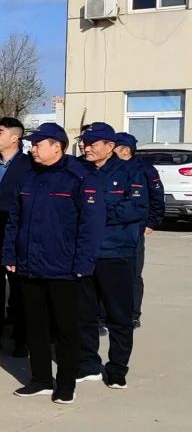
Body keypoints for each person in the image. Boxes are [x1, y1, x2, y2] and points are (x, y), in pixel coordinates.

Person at [4, 124, 104, 404]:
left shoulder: (79, 177)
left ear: (56, 147)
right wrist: (10, 254)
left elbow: (91, 226)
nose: (32, 149)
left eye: (37, 145)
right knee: (35, 326)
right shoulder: (28, 177)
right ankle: (40, 379)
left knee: (65, 328)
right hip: (29, 264)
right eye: (32, 145)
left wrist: (83, 263)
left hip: (64, 266)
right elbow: (15, 220)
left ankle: (66, 384)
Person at [77, 122, 146, 389]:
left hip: (116, 253)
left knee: (119, 315)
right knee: (84, 314)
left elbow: (136, 208)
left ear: (110, 146)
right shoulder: (79, 171)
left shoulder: (130, 172)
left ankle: (117, 368)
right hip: (85, 253)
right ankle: (88, 363)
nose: (87, 147)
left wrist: (97, 215)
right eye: (85, 142)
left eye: (93, 143)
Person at [0, 117, 33, 354]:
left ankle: (22, 337)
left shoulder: (27, 165)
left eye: (0, 132)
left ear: (15, 138)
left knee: (19, 287)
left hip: (14, 233)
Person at [114, 132, 163, 328]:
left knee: (133, 273)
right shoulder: (110, 168)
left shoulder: (144, 169)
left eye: (114, 146)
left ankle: (133, 314)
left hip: (135, 228)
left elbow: (157, 196)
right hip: (111, 228)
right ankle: (103, 313)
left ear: (125, 149)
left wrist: (152, 222)